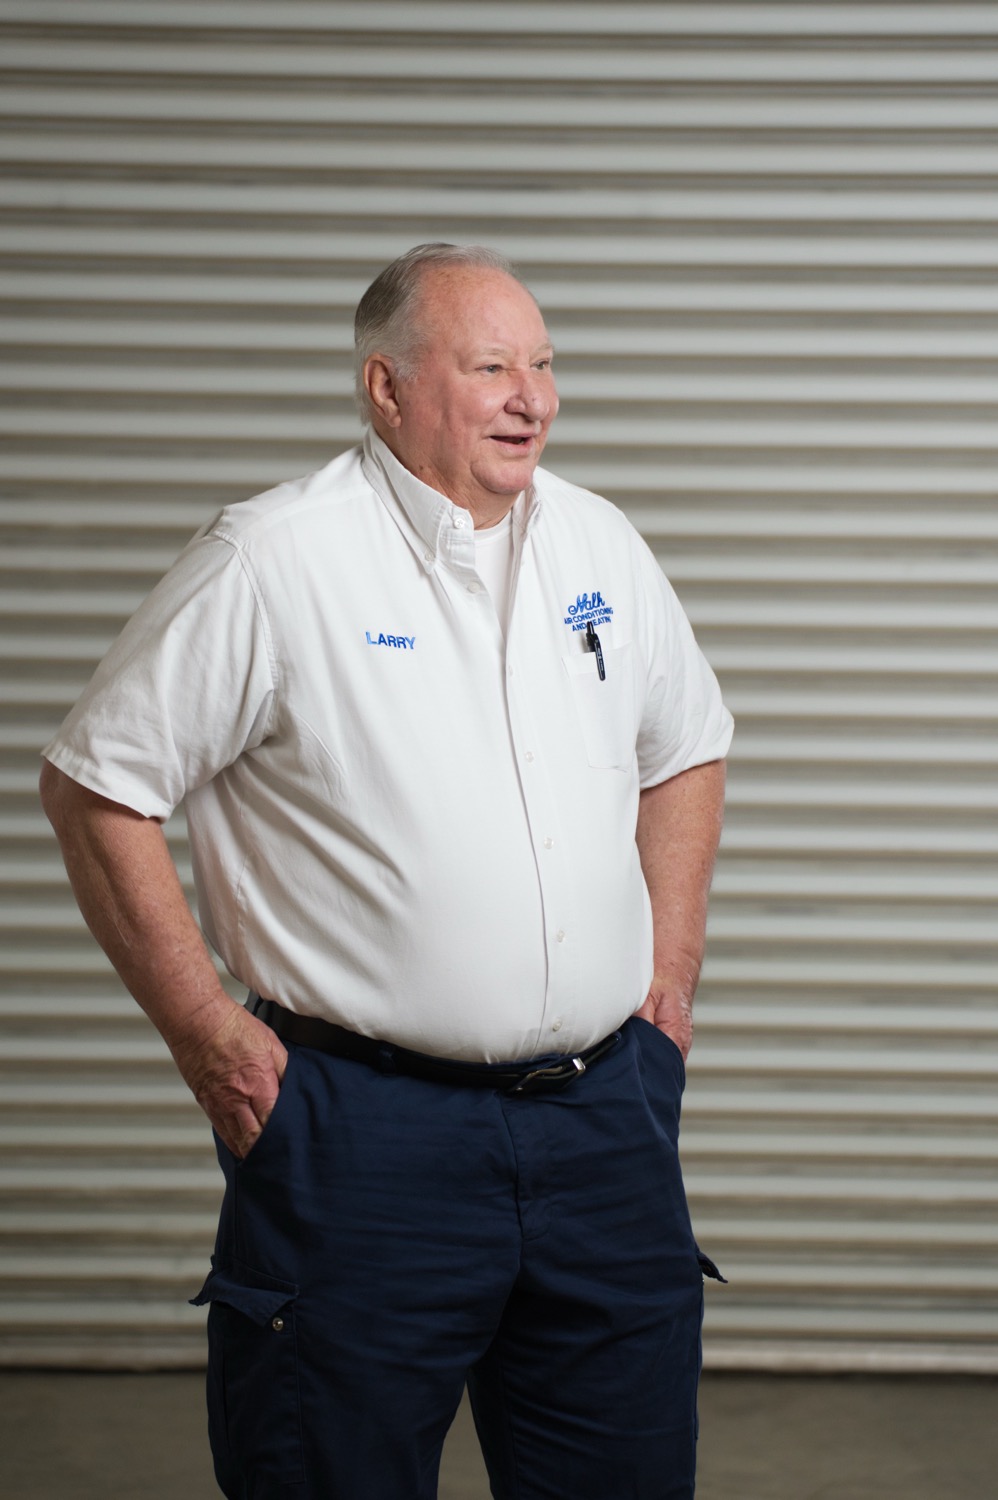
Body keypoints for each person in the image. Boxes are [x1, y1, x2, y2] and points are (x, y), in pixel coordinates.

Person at [40, 243, 733, 1500]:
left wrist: (668, 975)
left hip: (601, 1127)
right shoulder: (276, 559)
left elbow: (686, 752)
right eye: (490, 367)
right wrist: (209, 1035)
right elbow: (97, 788)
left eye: (543, 363)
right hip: (361, 1134)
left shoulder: (601, 546)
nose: (534, 396)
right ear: (387, 387)